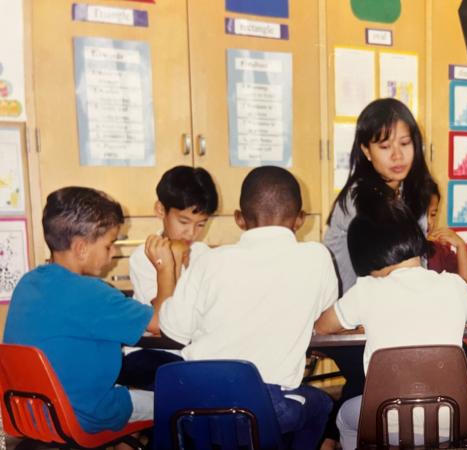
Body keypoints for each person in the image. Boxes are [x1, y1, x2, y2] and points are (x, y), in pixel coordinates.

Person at [158, 166, 338, 448]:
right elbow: (325, 316)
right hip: (266, 407)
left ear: (239, 219)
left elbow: (172, 329)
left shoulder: (209, 262)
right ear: (301, 219)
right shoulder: (317, 258)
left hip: (194, 405)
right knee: (322, 404)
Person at [3, 187, 174, 439]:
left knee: (128, 396)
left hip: (27, 414)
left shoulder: (28, 283)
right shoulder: (91, 292)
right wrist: (165, 267)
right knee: (178, 402)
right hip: (82, 415)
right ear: (82, 247)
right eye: (109, 245)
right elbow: (163, 323)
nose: (113, 253)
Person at [315, 202, 467, 449]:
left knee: (345, 418)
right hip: (456, 416)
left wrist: (360, 325)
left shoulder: (366, 290)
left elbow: (322, 326)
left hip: (384, 420)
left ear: (367, 256)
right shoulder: (454, 285)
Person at [321, 98, 436, 448]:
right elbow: (354, 274)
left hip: (381, 315)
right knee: (375, 383)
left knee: (383, 383)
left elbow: (416, 264)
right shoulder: (360, 198)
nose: (398, 156)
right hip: (347, 317)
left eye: (405, 144)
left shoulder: (411, 194)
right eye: (385, 147)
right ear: (366, 151)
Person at [119, 165, 218, 390]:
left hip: (192, 351)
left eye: (201, 224)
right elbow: (162, 323)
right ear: (160, 210)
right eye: (183, 222)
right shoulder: (144, 256)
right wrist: (169, 266)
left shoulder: (204, 255)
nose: (192, 233)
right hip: (154, 351)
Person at [426, 180, 467, 389]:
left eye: (433, 214)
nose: (428, 222)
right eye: (422, 214)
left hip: (446, 339)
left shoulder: (438, 249)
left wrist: (461, 246)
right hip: (425, 340)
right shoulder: (396, 251)